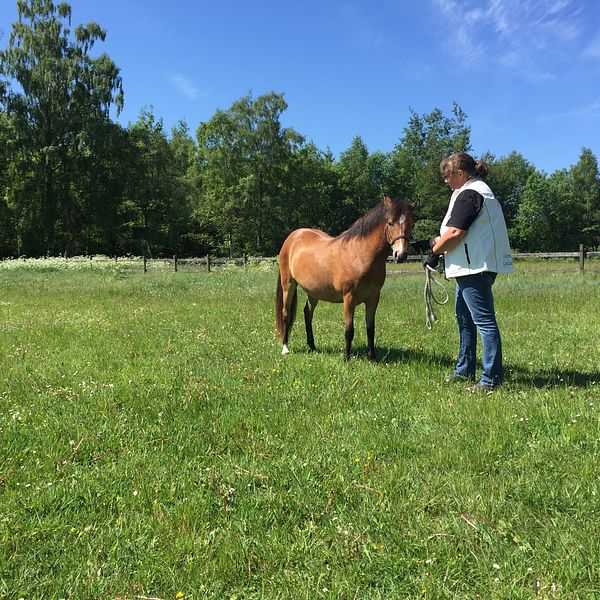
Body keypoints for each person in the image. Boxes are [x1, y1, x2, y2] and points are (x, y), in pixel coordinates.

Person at [413, 152, 513, 393]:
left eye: (447, 176)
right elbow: (457, 230)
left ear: (460, 174)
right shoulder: (473, 191)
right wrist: (431, 242)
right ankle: (465, 369)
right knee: (465, 319)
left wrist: (434, 252)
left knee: (484, 322)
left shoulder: (471, 193)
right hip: (472, 265)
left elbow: (457, 233)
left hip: (474, 267)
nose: (445, 181)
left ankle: (490, 380)